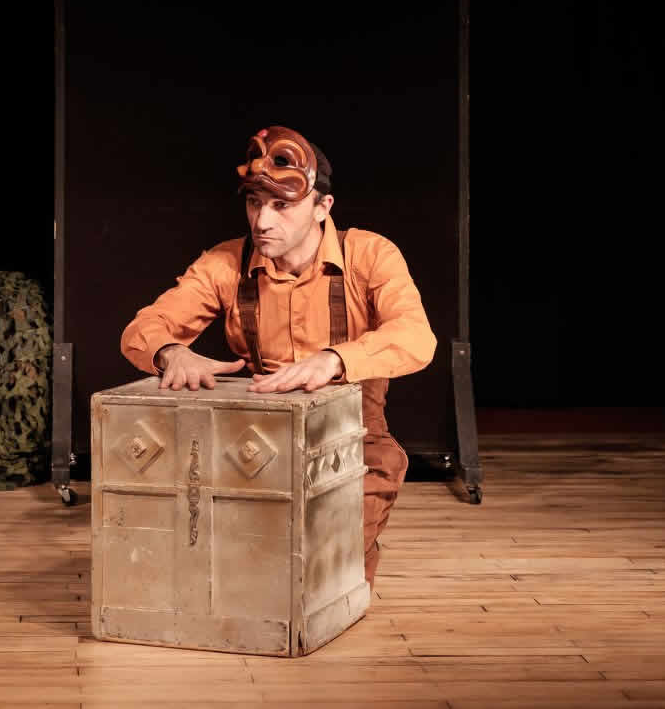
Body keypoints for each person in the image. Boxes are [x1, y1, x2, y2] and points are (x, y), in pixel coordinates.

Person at [120, 125, 437, 590]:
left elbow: (416, 336)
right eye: (254, 202)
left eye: (282, 205)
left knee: (326, 578)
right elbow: (142, 328)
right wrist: (171, 353)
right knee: (229, 569)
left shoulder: (369, 254)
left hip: (351, 437)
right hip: (255, 438)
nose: (262, 220)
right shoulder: (226, 263)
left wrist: (333, 360)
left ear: (322, 207)